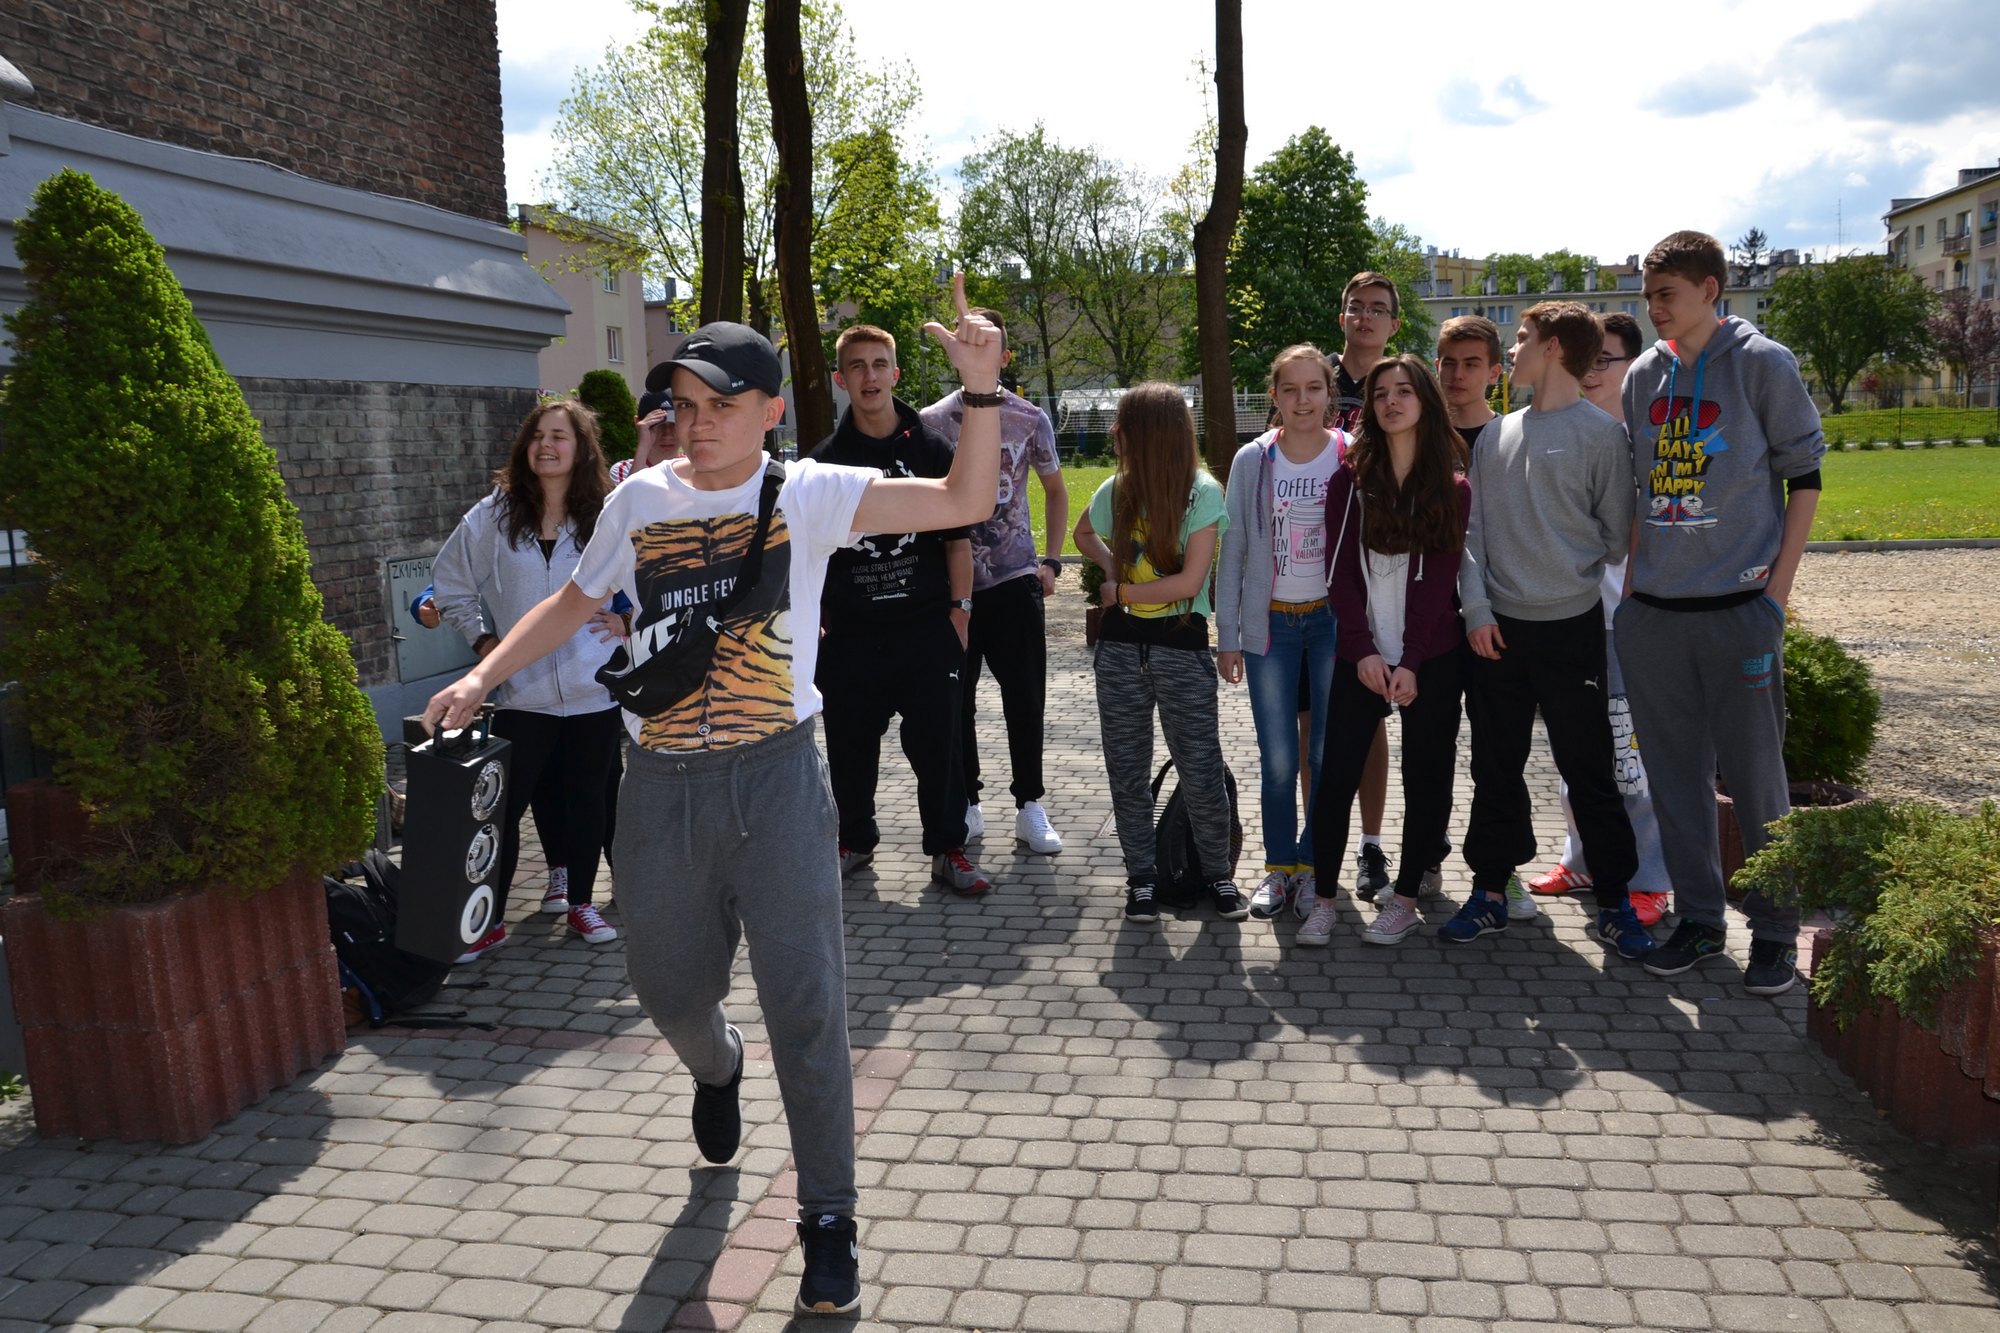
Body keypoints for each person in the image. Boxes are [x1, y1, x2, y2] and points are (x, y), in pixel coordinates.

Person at [422, 283, 1005, 1317]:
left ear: (770, 410)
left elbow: (962, 500)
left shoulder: (813, 492)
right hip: (657, 790)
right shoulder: (640, 500)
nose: (696, 422)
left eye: (720, 404)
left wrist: (982, 389)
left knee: (807, 1007)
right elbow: (572, 599)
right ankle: (717, 1064)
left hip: (776, 779)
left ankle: (828, 1217)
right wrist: (480, 676)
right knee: (667, 989)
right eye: (684, 404)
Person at [1619, 231, 1825, 996]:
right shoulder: (1644, 375)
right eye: (1648, 295)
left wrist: (1776, 595)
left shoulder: (1762, 363)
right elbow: (1639, 490)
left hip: (1740, 609)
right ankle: (1701, 918)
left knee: (1756, 779)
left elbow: (1805, 477)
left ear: (1710, 289)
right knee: (1675, 779)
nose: (1654, 307)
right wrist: (1634, 595)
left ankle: (1774, 930)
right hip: (1657, 613)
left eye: (1666, 294)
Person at [1450, 302, 1652, 958]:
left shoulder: (1603, 436)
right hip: (1497, 635)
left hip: (1573, 631)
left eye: (1522, 338)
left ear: (1556, 348)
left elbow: (1616, 536)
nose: (1512, 350)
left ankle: (1616, 903)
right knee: (1494, 767)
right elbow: (1472, 536)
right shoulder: (1495, 436)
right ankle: (1489, 892)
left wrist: (1558, 564)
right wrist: (1478, 610)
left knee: (1589, 767)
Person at [429, 399, 625, 949]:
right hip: (520, 693)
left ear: (582, 449)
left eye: (559, 436)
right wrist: (486, 644)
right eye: (537, 435)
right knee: (503, 808)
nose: (546, 445)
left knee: (589, 801)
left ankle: (582, 905)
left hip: (593, 691)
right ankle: (487, 921)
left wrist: (629, 620)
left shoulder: (605, 513)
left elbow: (647, 577)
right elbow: (451, 585)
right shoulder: (493, 515)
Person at [814, 324, 989, 895]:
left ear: (896, 373)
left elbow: (958, 540)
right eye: (857, 366)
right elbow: (811, 555)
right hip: (852, 637)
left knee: (941, 748)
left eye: (879, 364)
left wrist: (960, 611)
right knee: (849, 750)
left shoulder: (931, 450)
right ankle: (854, 841)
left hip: (927, 630)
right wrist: (817, 623)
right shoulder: (825, 464)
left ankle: (948, 849)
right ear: (841, 379)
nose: (869, 376)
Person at [1307, 356, 1471, 946]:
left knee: (1427, 778)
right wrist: (1363, 650)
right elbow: (1339, 575)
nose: (1391, 402)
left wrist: (1412, 660)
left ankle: (1404, 899)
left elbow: (1439, 583)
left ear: (1425, 401)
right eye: (1380, 394)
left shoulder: (1453, 488)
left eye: (1404, 391)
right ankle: (1322, 899)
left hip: (1433, 657)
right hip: (1362, 656)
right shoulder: (1348, 482)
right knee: (1335, 777)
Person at [1073, 383, 1238, 923]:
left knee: (1200, 770)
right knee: (1127, 771)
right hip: (1120, 652)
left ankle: (1217, 874)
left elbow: (1189, 583)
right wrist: (1113, 564)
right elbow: (1081, 533)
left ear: (1149, 433)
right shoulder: (1117, 489)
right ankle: (1142, 878)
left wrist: (1119, 589)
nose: (1113, 432)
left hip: (1181, 649)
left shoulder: (1202, 493)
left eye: (1122, 425)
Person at [1526, 312, 1671, 926]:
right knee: (1576, 752)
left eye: (1605, 360)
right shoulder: (1567, 431)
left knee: (1628, 756)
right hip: (1571, 619)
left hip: (1624, 622)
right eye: (1587, 359)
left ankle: (1649, 879)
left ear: (1633, 366)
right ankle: (1581, 859)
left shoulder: (1643, 444)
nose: (1591, 371)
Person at [921, 315, 1067, 857]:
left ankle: (1030, 804)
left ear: (1004, 356)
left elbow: (1055, 489)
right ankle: (968, 801)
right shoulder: (933, 422)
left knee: (1025, 699)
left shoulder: (1029, 418)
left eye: (990, 345)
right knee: (955, 699)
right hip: (952, 586)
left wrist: (1051, 562)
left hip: (1013, 579)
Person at [1217, 345, 1344, 923]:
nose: (1302, 400)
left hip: (1332, 623)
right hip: (1270, 626)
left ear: (1328, 392)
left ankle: (1314, 867)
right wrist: (1229, 634)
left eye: (1313, 387)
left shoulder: (1349, 453)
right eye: (1289, 389)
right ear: (1274, 396)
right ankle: (1278, 868)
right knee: (1278, 761)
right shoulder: (1254, 459)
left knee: (1323, 754)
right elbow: (1235, 548)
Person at [1329, 272, 1402, 899]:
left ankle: (1372, 845)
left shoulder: (1399, 387)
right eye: (1356, 308)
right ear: (1343, 318)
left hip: (1378, 575)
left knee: (1370, 716)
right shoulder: (1315, 380)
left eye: (1378, 309)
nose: (1366, 317)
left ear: (1393, 324)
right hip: (1310, 575)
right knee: (1314, 724)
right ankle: (1314, 846)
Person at [1435, 314, 1504, 452]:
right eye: (1449, 364)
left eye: (1470, 365)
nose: (1457, 375)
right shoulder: (1418, 436)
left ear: (1494, 374)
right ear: (1437, 368)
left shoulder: (1509, 437)